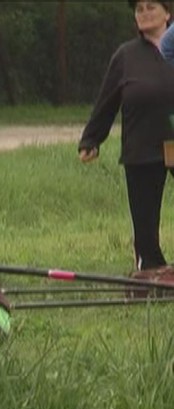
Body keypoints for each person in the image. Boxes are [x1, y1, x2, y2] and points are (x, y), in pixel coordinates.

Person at [78, 0, 174, 276]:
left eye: (150, 7)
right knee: (144, 216)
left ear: (168, 12)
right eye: (138, 9)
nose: (143, 13)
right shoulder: (126, 55)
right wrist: (91, 139)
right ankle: (151, 269)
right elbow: (107, 100)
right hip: (142, 145)